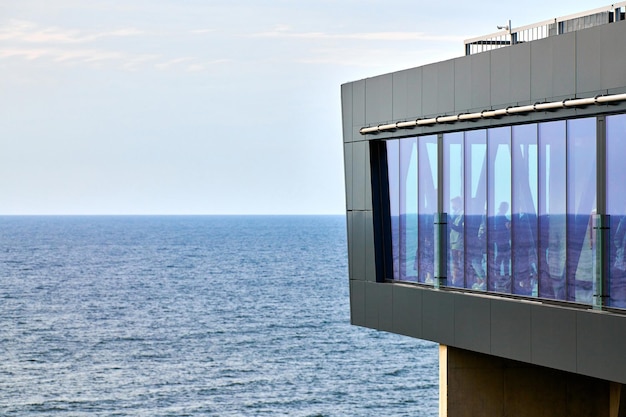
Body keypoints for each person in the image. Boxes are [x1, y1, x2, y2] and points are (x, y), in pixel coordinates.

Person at [449, 196, 464, 287]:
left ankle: (457, 279)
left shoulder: (462, 214)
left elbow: (461, 228)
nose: (452, 205)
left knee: (457, 261)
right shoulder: (456, 213)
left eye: (453, 203)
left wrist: (451, 225)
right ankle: (455, 279)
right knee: (455, 262)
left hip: (458, 241)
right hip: (454, 241)